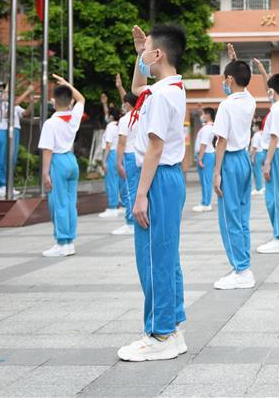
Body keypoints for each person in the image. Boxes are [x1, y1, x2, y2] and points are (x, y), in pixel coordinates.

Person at [117, 24, 188, 362]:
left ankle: (160, 334)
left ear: (158, 54)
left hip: (157, 180)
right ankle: (172, 327)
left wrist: (140, 194)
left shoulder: (162, 95)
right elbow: (136, 85)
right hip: (165, 179)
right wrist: (138, 54)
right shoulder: (169, 88)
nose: (142, 54)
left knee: (153, 259)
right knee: (165, 256)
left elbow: (155, 147)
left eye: (147, 50)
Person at [212, 48, 257, 290]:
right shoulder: (250, 101)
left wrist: (216, 172)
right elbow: (242, 78)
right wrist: (235, 60)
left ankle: (241, 270)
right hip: (244, 161)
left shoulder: (226, 105)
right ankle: (243, 266)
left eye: (224, 79)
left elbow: (221, 141)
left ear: (229, 80)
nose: (223, 83)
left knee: (229, 219)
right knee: (241, 216)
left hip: (229, 161)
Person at [37, 74, 84, 258]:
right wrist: (66, 84)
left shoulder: (51, 123)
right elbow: (81, 99)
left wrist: (45, 173)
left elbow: (47, 150)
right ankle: (69, 241)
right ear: (70, 101)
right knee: (70, 203)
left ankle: (62, 242)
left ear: (54, 101)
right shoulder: (74, 116)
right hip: (71, 161)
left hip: (58, 161)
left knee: (58, 203)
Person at [253, 59, 279, 254]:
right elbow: (268, 86)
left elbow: (274, 138)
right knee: (278, 196)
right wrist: (262, 70)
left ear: (273, 90)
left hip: (275, 154)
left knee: (275, 198)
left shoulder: (277, 110)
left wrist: (266, 163)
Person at [0, 84, 33, 199]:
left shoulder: (6, 104)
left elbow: (23, 112)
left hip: (4, 132)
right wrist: (7, 87)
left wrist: (31, 102)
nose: (1, 93)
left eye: (1, 91)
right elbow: (5, 98)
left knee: (0, 161)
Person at [113, 91, 139, 236]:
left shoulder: (125, 119)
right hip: (142, 155)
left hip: (129, 155)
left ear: (127, 104)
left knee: (130, 190)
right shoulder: (144, 115)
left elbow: (122, 142)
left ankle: (130, 222)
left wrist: (118, 162)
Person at [99, 106, 123, 218]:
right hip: (120, 153)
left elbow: (108, 144)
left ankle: (112, 207)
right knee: (119, 181)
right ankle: (122, 205)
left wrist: (104, 160)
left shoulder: (110, 126)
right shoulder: (120, 124)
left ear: (111, 116)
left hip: (112, 153)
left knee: (111, 181)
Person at [193, 108, 216, 213]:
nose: (201, 116)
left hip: (206, 155)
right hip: (205, 154)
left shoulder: (207, 128)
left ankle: (207, 203)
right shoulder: (207, 127)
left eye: (203, 114)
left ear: (208, 115)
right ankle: (204, 202)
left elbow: (203, 144)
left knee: (206, 180)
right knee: (204, 180)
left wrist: (200, 158)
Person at [249, 123, 265, 195]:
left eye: (254, 126)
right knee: (258, 171)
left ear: (257, 127)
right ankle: (259, 186)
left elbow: (254, 147)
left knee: (257, 171)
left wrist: (252, 157)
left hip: (257, 154)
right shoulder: (261, 134)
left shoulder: (256, 135)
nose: (253, 127)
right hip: (261, 153)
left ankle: (259, 188)